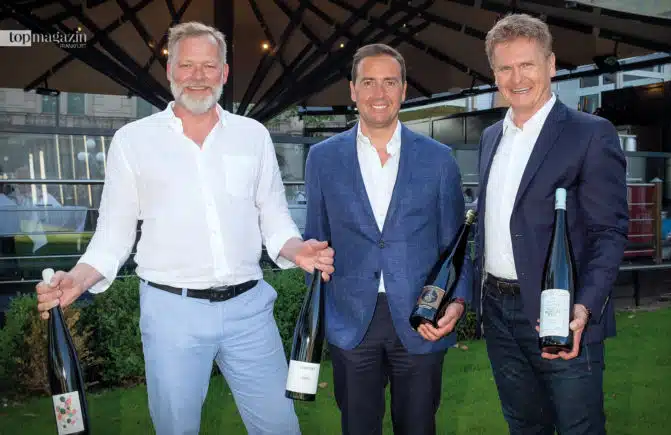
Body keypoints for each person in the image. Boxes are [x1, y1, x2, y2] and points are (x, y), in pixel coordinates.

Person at [35, 21, 335, 435]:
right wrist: (79, 279)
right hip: (171, 314)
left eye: (209, 66)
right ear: (170, 70)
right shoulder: (133, 141)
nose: (198, 76)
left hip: (250, 311)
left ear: (224, 72)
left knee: (281, 427)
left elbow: (275, 219)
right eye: (187, 65)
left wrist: (298, 249)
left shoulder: (253, 136)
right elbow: (112, 237)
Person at [303, 43, 472, 435]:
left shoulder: (439, 159)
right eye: (368, 82)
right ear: (353, 90)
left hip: (421, 317)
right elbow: (315, 239)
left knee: (418, 427)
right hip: (351, 321)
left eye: (389, 82)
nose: (379, 93)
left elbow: (457, 244)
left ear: (404, 89)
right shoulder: (322, 159)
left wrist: (458, 301)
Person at [474, 14, 628, 434]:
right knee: (524, 426)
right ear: (495, 74)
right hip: (498, 311)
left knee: (579, 427)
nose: (516, 78)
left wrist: (585, 306)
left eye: (527, 64)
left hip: (562, 314)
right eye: (505, 68)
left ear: (551, 64)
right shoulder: (491, 137)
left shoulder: (590, 134)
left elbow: (609, 232)